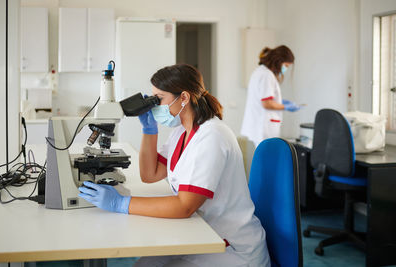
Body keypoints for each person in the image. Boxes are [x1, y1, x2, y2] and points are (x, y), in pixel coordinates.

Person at [78, 64, 270, 267]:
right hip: (198, 231)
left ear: (184, 98)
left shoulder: (212, 136)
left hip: (229, 247)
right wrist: (149, 130)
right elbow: (150, 174)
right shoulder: (182, 131)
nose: (154, 105)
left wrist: (120, 204)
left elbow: (184, 206)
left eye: (158, 99)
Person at [241, 45, 299, 147]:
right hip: (264, 127)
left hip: (259, 125)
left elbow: (265, 99)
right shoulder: (267, 75)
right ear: (279, 61)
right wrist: (285, 106)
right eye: (286, 65)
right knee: (267, 159)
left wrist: (280, 102)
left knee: (263, 158)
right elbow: (267, 103)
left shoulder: (259, 71)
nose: (285, 69)